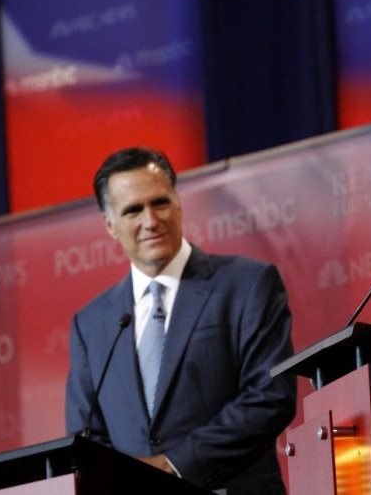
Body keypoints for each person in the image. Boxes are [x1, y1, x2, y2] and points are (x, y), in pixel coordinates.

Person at [65, 146, 297, 495]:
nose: (150, 221)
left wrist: (171, 465)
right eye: (133, 210)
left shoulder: (247, 283)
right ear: (110, 225)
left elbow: (270, 396)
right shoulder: (92, 323)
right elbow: (86, 438)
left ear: (178, 202)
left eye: (159, 202)